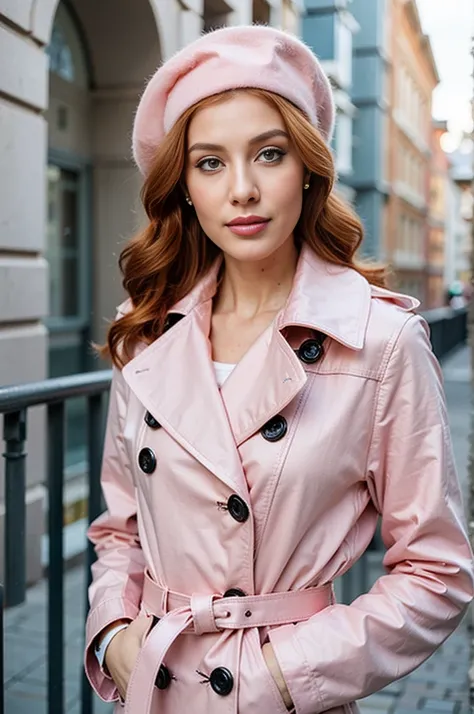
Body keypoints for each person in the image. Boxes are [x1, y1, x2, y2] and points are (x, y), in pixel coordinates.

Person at [83, 25, 474, 714]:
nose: (242, 189)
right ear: (184, 189)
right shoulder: (147, 336)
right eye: (209, 163)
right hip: (154, 689)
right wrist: (114, 629)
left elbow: (437, 572)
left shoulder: (380, 341)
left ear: (308, 168)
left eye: (269, 154)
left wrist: (281, 673)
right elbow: (119, 531)